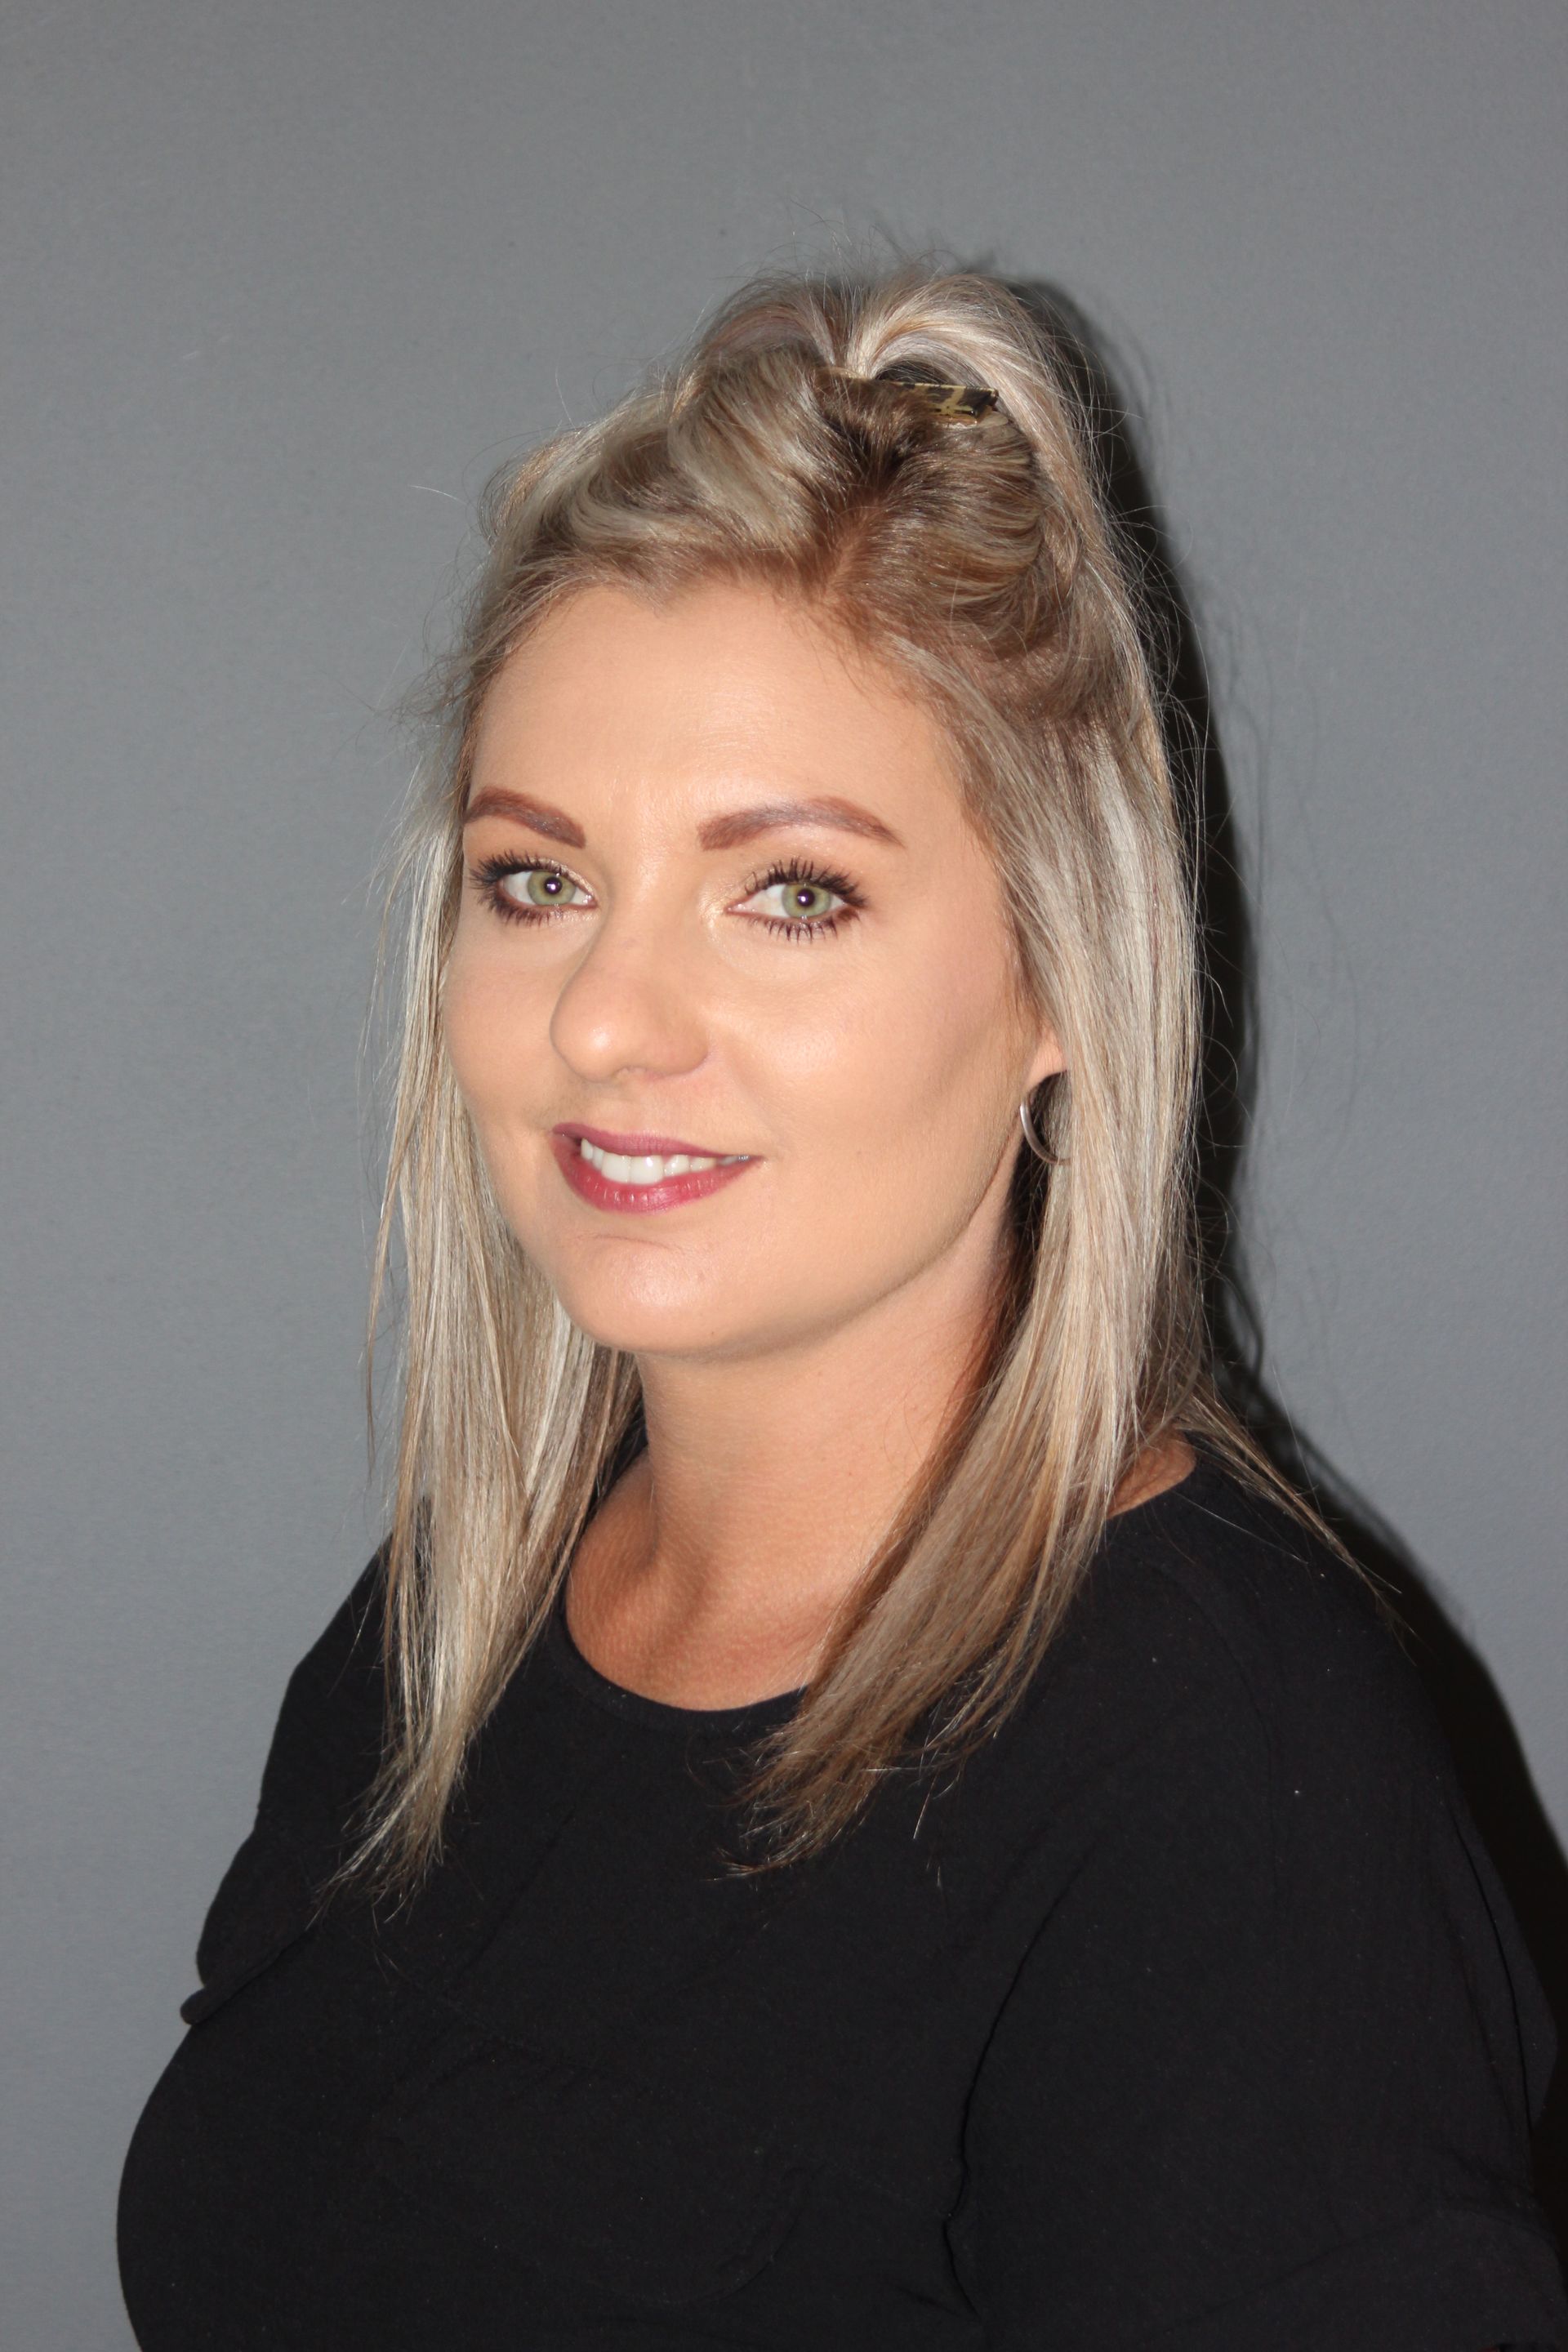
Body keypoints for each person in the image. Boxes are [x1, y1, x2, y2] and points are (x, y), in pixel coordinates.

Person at [117, 266, 1566, 2349]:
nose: (608, 1019)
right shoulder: (464, 1608)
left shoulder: (1224, 1793)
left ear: (1064, 976)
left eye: (791, 892)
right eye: (539, 880)